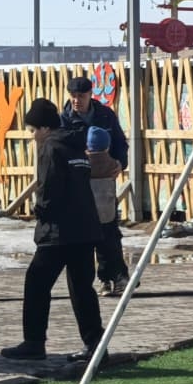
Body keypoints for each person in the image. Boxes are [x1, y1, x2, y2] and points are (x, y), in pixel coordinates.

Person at [1, 98, 105, 362]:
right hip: (85, 228)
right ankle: (95, 345)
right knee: (82, 289)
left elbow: (48, 187)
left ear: (44, 128)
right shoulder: (76, 147)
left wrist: (41, 213)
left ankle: (34, 342)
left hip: (59, 231)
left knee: (36, 283)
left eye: (33, 130)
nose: (32, 136)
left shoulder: (51, 147)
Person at [61, 75, 130, 296]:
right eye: (73, 96)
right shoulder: (65, 120)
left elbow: (120, 144)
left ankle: (115, 276)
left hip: (104, 184)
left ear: (91, 95)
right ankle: (100, 279)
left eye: (81, 96)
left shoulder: (105, 116)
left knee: (108, 231)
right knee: (85, 235)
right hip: (79, 186)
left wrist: (119, 163)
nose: (76, 100)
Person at [83, 126, 126, 298]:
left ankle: (101, 282)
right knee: (107, 249)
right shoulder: (112, 164)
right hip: (108, 214)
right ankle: (112, 278)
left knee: (88, 250)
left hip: (87, 215)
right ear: (107, 146)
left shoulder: (84, 164)